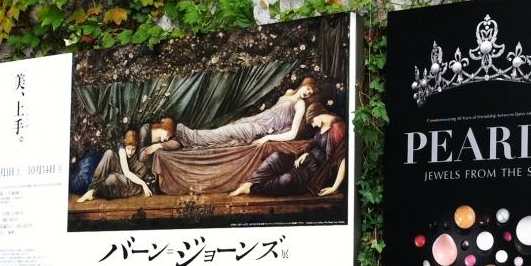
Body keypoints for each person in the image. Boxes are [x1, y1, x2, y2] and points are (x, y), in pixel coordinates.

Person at [171, 78, 318, 149]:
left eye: (311, 92)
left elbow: (292, 134)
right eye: (308, 88)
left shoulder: (300, 105)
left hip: (263, 129)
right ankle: (193, 138)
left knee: (228, 131)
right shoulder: (289, 92)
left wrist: (267, 137)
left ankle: (192, 136)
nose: (308, 93)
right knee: (230, 127)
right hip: (258, 119)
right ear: (303, 85)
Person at [228, 112, 347, 198]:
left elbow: (342, 159)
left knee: (286, 179)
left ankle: (254, 188)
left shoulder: (338, 129)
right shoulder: (324, 125)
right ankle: (248, 184)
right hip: (304, 160)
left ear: (318, 114)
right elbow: (313, 146)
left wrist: (334, 187)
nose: (313, 125)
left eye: (312, 121)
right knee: (277, 157)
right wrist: (305, 154)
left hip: (314, 172)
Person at [75, 128, 155, 201]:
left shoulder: (140, 153)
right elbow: (126, 171)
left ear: (136, 147)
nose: (130, 152)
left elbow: (128, 173)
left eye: (133, 149)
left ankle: (94, 191)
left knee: (111, 178)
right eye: (128, 149)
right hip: (125, 174)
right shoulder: (122, 149)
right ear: (125, 144)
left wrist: (143, 184)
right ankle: (91, 189)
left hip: (134, 181)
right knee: (109, 153)